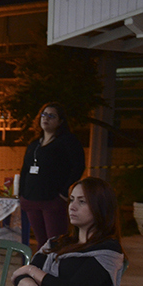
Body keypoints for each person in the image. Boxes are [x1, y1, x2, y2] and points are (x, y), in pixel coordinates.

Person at [19, 102, 85, 248]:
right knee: (41, 243)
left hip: (52, 200)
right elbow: (25, 169)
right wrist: (21, 194)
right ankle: (42, 269)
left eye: (51, 116)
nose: (46, 118)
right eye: (44, 114)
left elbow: (78, 166)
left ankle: (56, 270)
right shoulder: (34, 144)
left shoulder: (67, 141)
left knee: (56, 242)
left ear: (61, 121)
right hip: (31, 199)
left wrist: (64, 193)